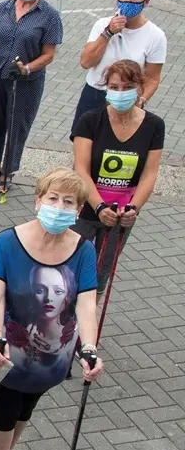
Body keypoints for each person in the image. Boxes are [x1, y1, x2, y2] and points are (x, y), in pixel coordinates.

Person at [0, 166, 104, 450]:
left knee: (26, 409)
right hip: (8, 350)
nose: (59, 206)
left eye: (69, 201)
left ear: (79, 210)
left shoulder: (82, 251)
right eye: (53, 198)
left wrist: (89, 347)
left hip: (54, 356)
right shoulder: (7, 241)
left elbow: (85, 303)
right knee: (5, 409)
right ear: (38, 201)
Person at [72, 60, 162, 293]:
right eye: (114, 87)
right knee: (69, 268)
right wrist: (99, 207)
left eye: (126, 87)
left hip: (121, 214)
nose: (120, 93)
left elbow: (149, 173)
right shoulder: (90, 121)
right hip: (87, 207)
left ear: (139, 89)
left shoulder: (154, 125)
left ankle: (87, 327)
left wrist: (134, 208)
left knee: (100, 276)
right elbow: (81, 169)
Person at [0, 0, 63, 195]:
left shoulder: (49, 15)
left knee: (17, 126)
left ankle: (8, 170)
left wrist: (27, 67)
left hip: (25, 81)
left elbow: (49, 54)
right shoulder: (2, 8)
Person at [72, 0, 165, 134]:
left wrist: (140, 101)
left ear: (146, 1)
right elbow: (86, 62)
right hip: (95, 95)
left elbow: (152, 78)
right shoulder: (102, 24)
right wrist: (108, 33)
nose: (129, 1)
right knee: (84, 147)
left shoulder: (155, 36)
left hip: (127, 100)